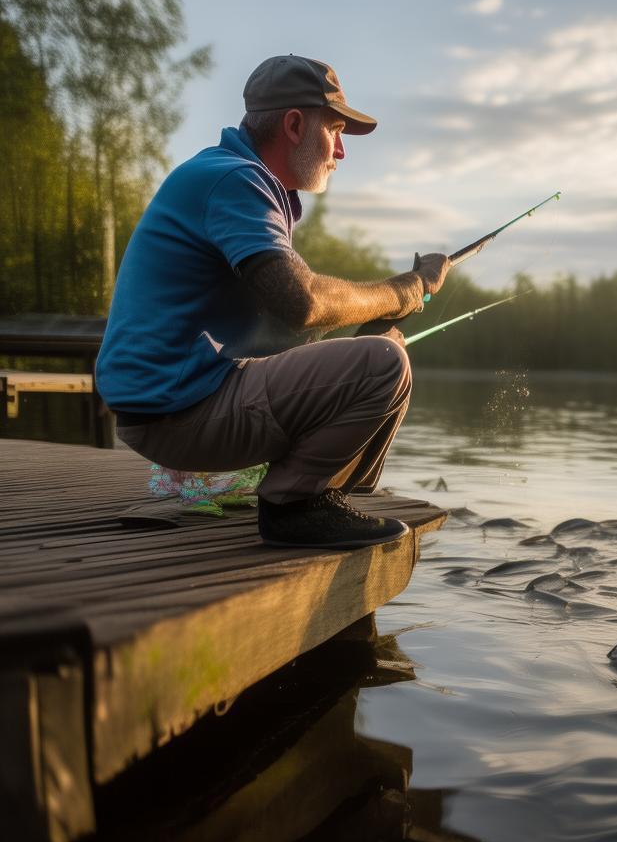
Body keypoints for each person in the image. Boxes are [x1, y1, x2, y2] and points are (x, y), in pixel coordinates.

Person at [95, 54, 452, 548]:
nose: (341, 151)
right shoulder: (235, 179)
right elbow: (301, 302)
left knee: (380, 346)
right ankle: (293, 507)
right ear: (294, 124)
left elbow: (284, 329)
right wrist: (405, 290)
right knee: (384, 363)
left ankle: (321, 496)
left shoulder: (230, 177)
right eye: (336, 130)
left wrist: (381, 313)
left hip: (169, 408)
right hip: (175, 415)